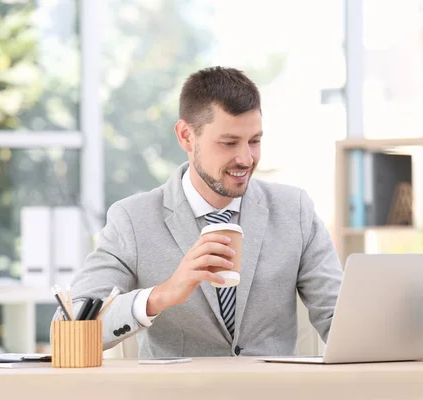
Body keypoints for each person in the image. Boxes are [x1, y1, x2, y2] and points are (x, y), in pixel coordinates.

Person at [56, 66, 344, 358]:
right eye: (229, 142)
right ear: (186, 136)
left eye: (254, 141)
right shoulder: (133, 220)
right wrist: (162, 295)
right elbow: (69, 325)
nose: (246, 158)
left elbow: (341, 320)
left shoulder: (294, 210)